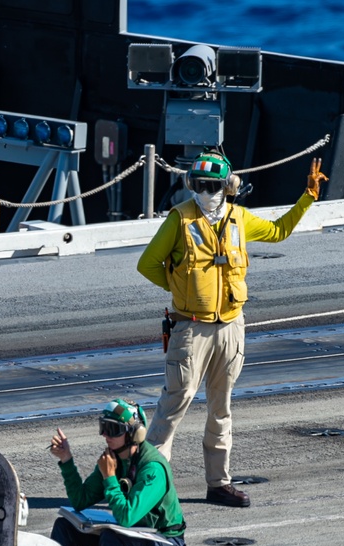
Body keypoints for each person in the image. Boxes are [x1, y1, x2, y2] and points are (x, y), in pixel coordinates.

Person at [137, 151, 328, 507]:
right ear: (190, 186)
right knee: (173, 406)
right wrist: (180, 287)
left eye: (212, 185)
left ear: (228, 186)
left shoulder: (240, 219)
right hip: (190, 329)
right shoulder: (179, 220)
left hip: (231, 326)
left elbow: (279, 231)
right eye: (199, 185)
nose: (206, 191)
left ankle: (219, 484)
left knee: (221, 408)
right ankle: (149, 487)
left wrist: (308, 197)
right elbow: (147, 263)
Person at [47, 398, 188, 546]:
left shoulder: (153, 468)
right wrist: (67, 460)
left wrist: (110, 478)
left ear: (133, 433)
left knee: (112, 538)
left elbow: (127, 517)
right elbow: (80, 500)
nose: (105, 435)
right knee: (64, 526)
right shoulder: (113, 459)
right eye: (103, 427)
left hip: (164, 541)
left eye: (112, 429)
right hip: (134, 534)